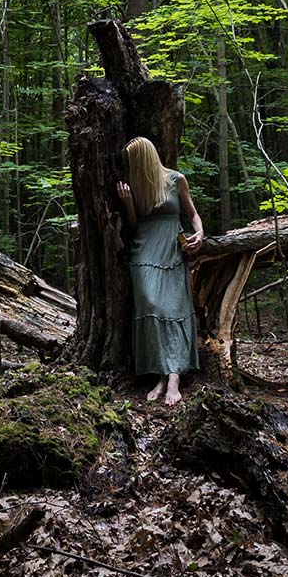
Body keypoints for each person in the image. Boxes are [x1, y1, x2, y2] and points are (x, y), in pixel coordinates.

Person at [116, 136, 203, 405]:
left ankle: (173, 376)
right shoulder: (135, 184)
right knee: (151, 305)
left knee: (172, 309)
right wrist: (129, 203)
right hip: (144, 249)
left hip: (171, 248)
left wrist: (200, 233)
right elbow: (132, 225)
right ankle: (161, 374)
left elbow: (193, 214)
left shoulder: (176, 179)